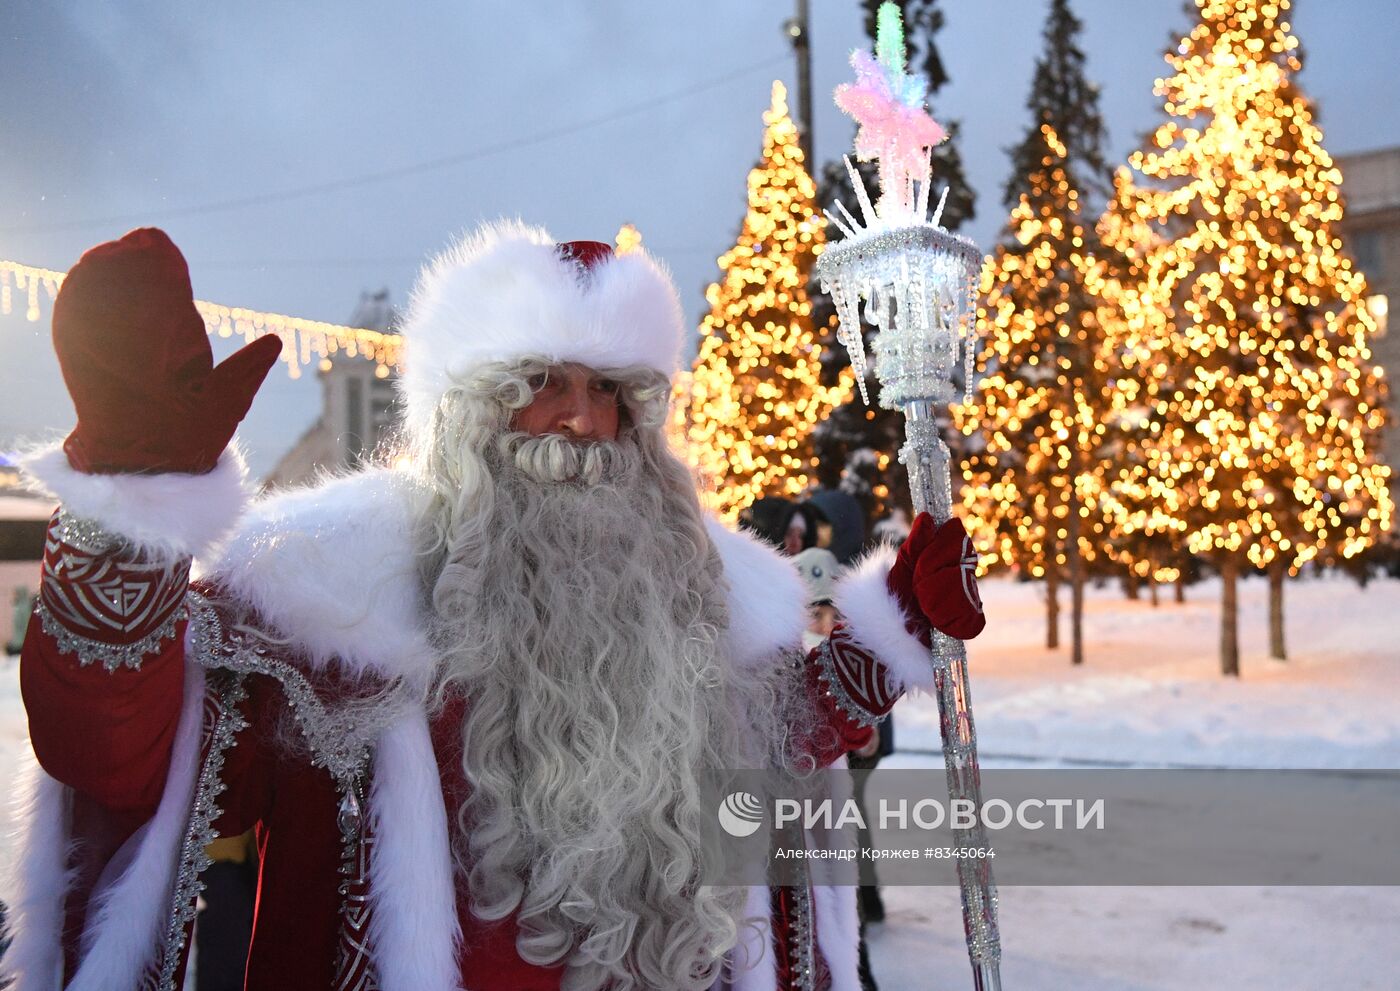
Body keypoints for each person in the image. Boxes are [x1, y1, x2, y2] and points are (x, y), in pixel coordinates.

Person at [1, 222, 986, 991]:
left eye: (608, 389)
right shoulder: (324, 590)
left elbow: (770, 736)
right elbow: (112, 749)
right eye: (537, 382)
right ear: (465, 411)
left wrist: (891, 625)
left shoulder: (707, 592)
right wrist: (128, 507)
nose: (579, 418)